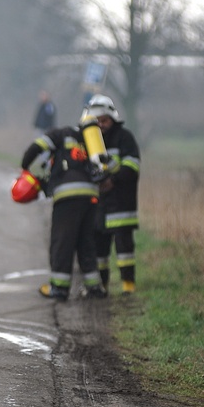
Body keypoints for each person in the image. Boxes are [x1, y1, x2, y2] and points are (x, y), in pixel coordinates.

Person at [21, 117, 107, 301]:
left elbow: (35, 148)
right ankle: (94, 288)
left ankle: (59, 288)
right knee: (86, 243)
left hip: (67, 198)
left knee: (62, 242)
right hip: (90, 197)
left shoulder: (59, 134)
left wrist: (24, 167)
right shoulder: (90, 141)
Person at [84, 95, 140, 295]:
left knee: (125, 249)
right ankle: (103, 286)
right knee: (99, 250)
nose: (101, 124)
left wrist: (112, 179)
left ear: (113, 118)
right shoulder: (88, 140)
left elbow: (132, 165)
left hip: (121, 202)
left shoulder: (124, 137)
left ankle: (128, 286)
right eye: (97, 121)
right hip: (99, 204)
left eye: (105, 120)